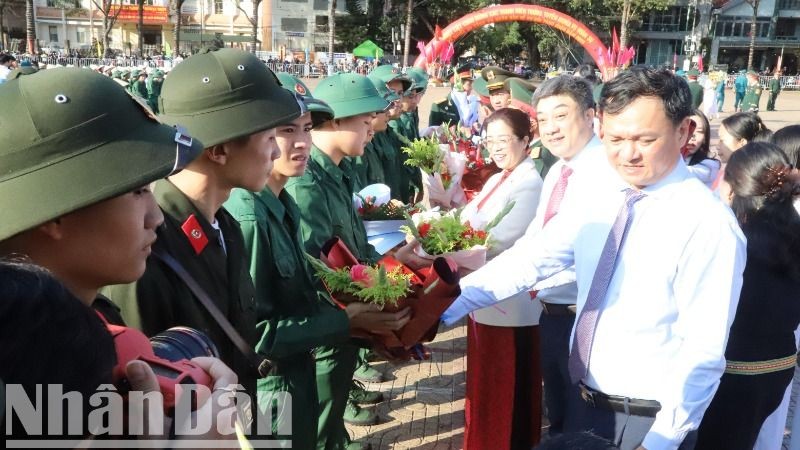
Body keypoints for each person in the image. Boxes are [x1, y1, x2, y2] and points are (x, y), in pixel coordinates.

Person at [442, 67, 747, 450]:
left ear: (684, 131)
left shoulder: (706, 224)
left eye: (645, 139)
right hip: (587, 401)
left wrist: (660, 442)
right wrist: (441, 306)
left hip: (648, 421)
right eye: (615, 139)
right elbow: (533, 259)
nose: (627, 153)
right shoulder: (603, 195)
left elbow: (703, 350)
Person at [0, 68, 236, 443]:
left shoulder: (84, 326)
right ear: (56, 212)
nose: (157, 218)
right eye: (138, 190)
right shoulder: (26, 380)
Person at [104, 48, 302, 423]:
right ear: (219, 149)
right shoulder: (148, 249)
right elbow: (144, 392)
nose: (276, 151)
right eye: (268, 137)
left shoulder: (224, 226)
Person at [223, 73, 410, 450]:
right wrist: (348, 319)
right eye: (286, 131)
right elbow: (252, 332)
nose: (300, 143)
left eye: (307, 129)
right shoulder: (253, 215)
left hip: (303, 362)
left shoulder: (283, 203)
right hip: (274, 385)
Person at [283, 72, 400, 449]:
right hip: (332, 317)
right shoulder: (305, 183)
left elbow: (350, 238)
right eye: (364, 123)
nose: (371, 131)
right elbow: (315, 266)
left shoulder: (337, 170)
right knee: (321, 413)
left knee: (331, 411)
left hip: (347, 313)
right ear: (334, 122)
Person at [695, 142, 800, 450]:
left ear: (731, 189)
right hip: (778, 367)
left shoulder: (731, 237)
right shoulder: (793, 232)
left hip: (733, 371)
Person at [460, 107, 544, 450]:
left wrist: (448, 245)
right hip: (484, 297)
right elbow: (466, 217)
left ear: (526, 141)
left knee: (506, 387)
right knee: (485, 384)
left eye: (503, 139)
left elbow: (499, 239)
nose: (494, 147)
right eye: (489, 139)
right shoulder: (497, 178)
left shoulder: (530, 183)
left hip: (511, 306)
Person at [529, 75, 606, 438]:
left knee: (583, 428)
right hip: (552, 317)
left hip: (586, 321)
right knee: (558, 419)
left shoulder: (605, 173)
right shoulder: (559, 170)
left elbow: (568, 254)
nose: (550, 128)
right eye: (543, 119)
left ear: (591, 115)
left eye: (560, 115)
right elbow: (538, 241)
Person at [683, 109, 721, 187]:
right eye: (688, 130)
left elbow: (682, 173)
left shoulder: (709, 166)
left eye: (699, 131)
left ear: (704, 137)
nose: (692, 136)